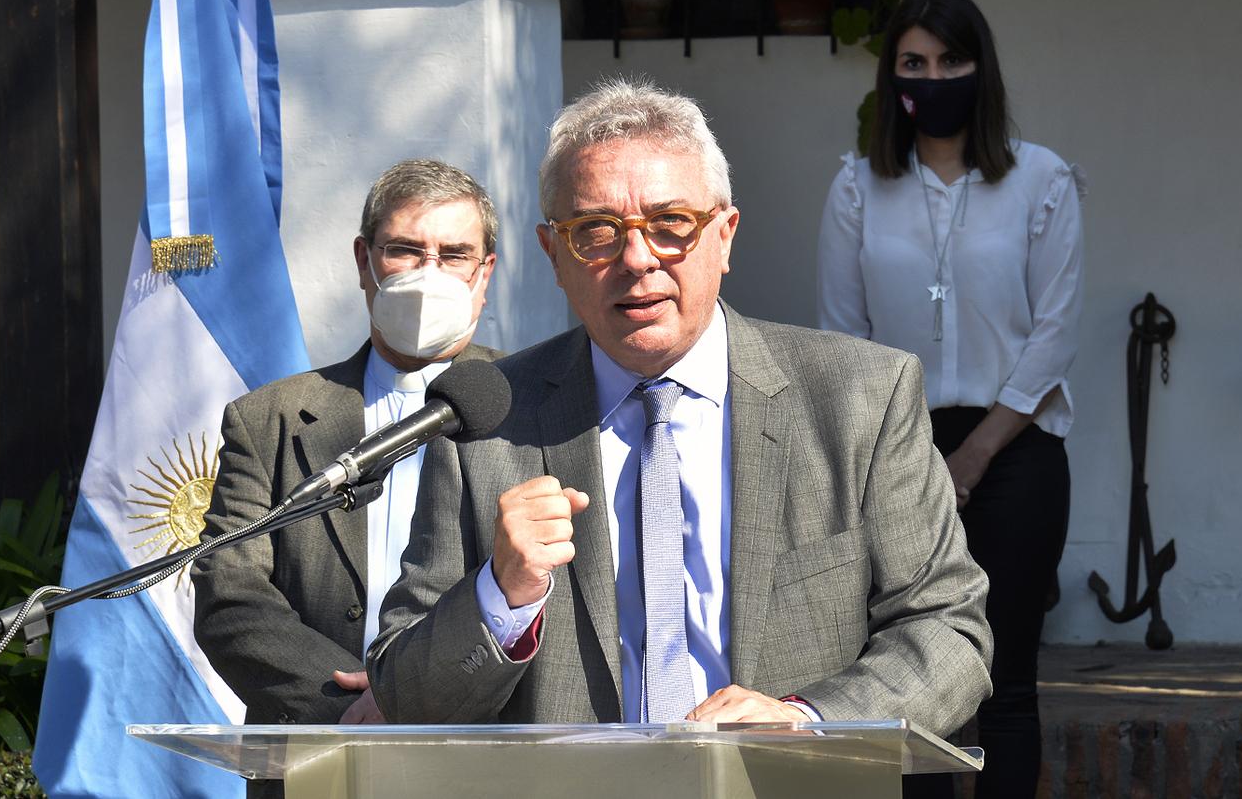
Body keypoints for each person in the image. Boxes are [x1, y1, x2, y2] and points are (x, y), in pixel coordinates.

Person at [367, 79, 992, 735]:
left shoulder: (861, 396)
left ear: (724, 235)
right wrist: (502, 593)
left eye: (670, 225)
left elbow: (947, 630)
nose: (638, 259)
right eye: (596, 232)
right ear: (554, 252)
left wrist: (805, 719)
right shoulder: (487, 421)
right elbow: (408, 697)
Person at [816, 0, 1084, 797]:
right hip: (893, 451)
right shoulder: (859, 187)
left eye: (951, 61)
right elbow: (839, 339)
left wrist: (972, 454)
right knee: (912, 686)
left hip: (1015, 451)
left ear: (981, 68)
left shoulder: (1041, 180)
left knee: (1006, 681)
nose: (934, 79)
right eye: (914, 63)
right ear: (892, 77)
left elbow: (1055, 334)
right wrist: (910, 461)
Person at [192, 160, 500, 793]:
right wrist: (354, 708)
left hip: (487, 755)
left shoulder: (536, 406)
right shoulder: (268, 418)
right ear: (364, 261)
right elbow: (229, 590)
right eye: (405, 251)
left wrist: (422, 695)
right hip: (317, 759)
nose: (428, 272)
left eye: (454, 254)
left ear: (484, 273)